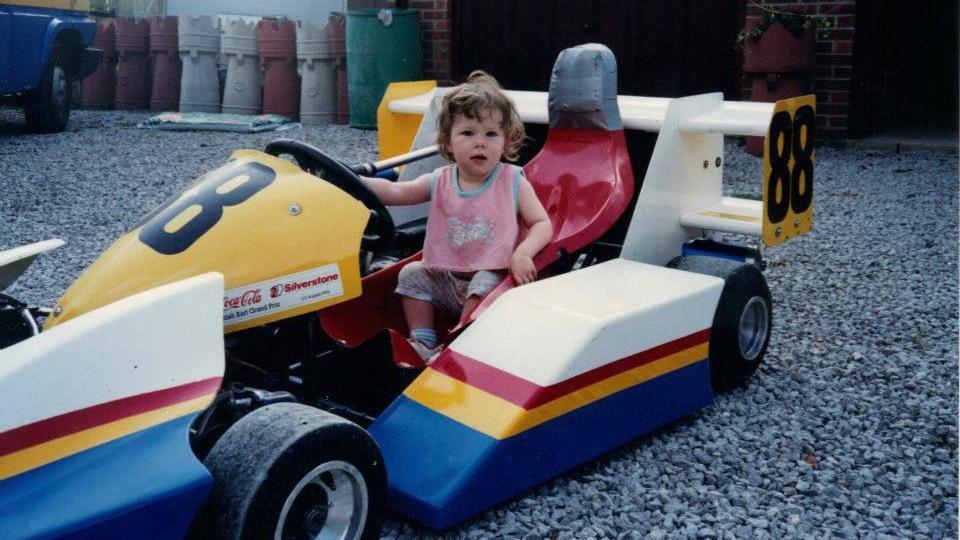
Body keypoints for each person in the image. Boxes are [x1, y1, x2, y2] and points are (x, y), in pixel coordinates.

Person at [362, 70, 553, 362]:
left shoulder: (512, 180)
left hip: (492, 280)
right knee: (411, 274)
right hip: (446, 280)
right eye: (468, 133)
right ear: (448, 143)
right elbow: (396, 192)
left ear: (505, 141)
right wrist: (352, 182)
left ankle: (459, 345)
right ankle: (424, 342)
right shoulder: (440, 179)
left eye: (491, 134)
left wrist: (523, 253)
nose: (480, 143)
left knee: (482, 283)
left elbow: (541, 223)